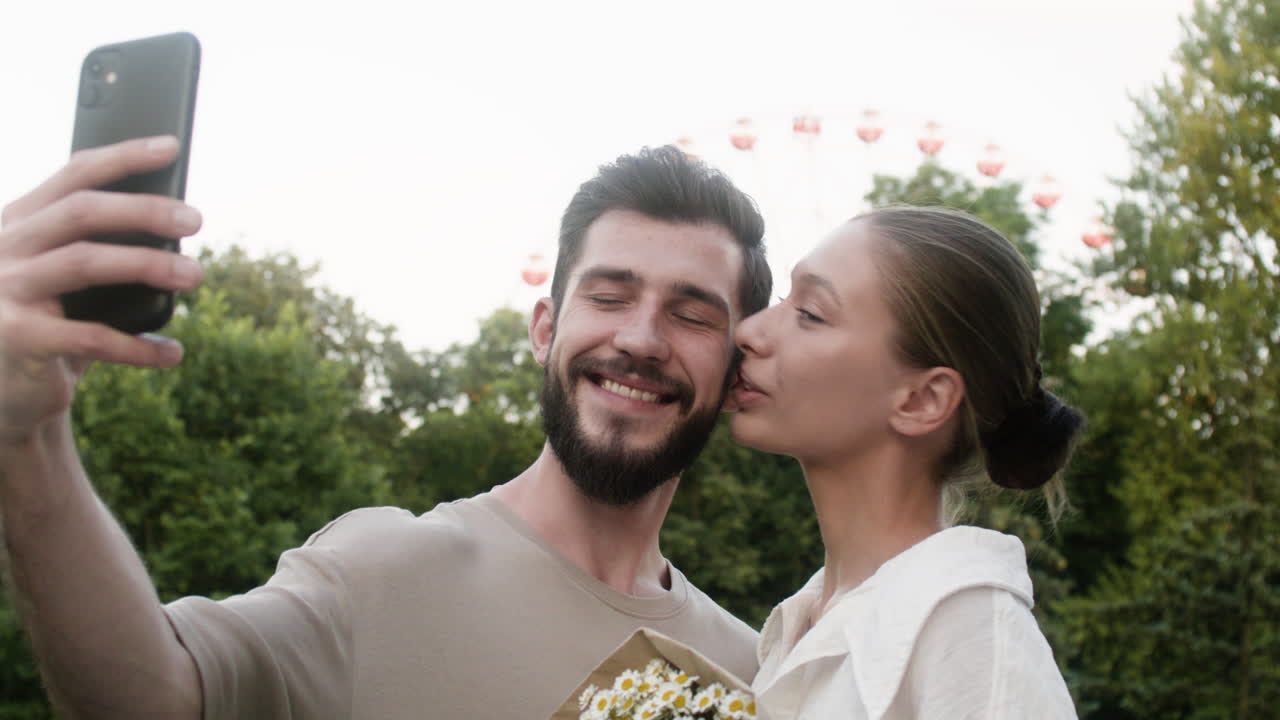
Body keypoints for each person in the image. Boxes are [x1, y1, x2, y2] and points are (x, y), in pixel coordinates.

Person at [0, 138, 772, 719]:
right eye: (609, 295)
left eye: (691, 313)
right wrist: (27, 443)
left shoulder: (758, 670)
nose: (641, 338)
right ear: (544, 329)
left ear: (738, 368)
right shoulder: (387, 569)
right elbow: (149, 694)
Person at [729, 206, 1082, 719]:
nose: (751, 332)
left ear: (922, 400)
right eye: (785, 300)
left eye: (810, 314)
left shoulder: (969, 633)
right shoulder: (802, 624)